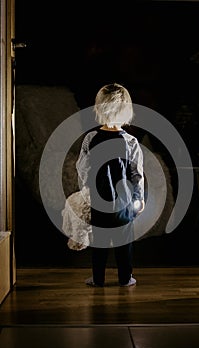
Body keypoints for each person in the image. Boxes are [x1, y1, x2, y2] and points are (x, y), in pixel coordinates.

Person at [76, 83, 145, 287]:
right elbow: (136, 174)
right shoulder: (130, 141)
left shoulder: (91, 138)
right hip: (123, 203)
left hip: (98, 201)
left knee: (100, 243)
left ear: (99, 108)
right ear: (126, 110)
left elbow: (83, 168)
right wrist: (139, 198)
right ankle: (125, 278)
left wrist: (85, 193)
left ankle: (98, 279)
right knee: (125, 244)